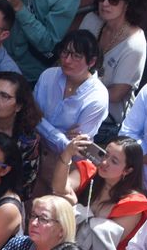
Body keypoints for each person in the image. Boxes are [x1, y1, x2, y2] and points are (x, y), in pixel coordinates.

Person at [53, 136, 147, 250]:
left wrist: (75, 207)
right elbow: (59, 189)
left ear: (128, 170)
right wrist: (67, 155)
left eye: (114, 161)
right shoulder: (90, 172)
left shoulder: (135, 203)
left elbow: (103, 241)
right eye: (105, 155)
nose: (104, 162)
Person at [80, 0, 146, 123]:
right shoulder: (91, 20)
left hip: (107, 118)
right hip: (76, 102)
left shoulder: (135, 44)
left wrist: (77, 92)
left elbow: (116, 94)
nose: (105, 3)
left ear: (127, 4)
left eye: (113, 0)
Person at [34, 31, 111, 163]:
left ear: (91, 61)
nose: (67, 60)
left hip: (65, 162)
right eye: (65, 52)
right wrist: (61, 136)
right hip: (33, 147)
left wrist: (41, 125)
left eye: (76, 56)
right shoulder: (48, 76)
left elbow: (75, 147)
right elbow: (30, 116)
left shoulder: (97, 97)